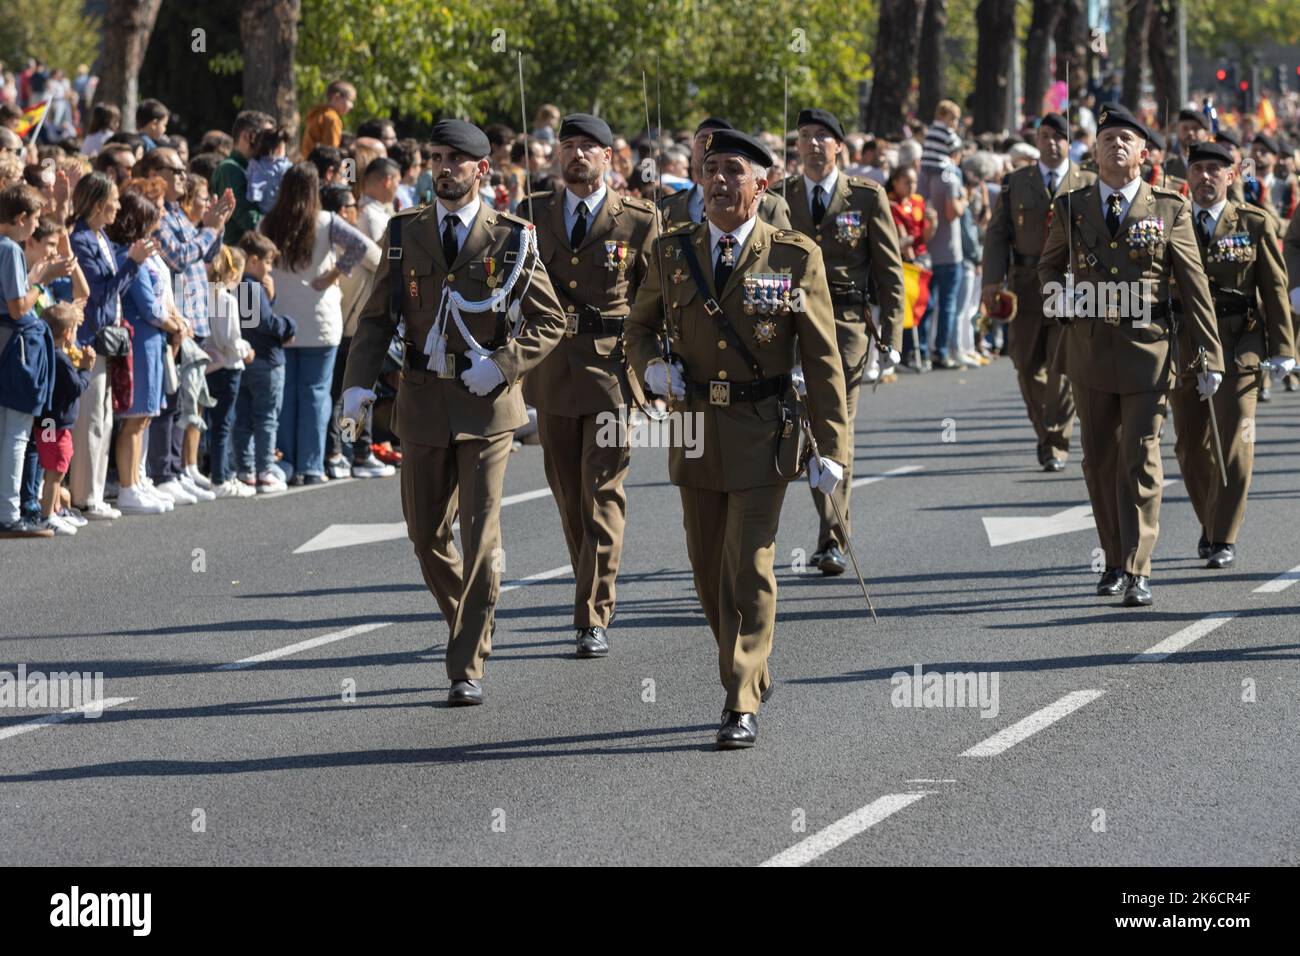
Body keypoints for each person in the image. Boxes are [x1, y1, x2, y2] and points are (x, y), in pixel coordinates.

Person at [625, 129, 849, 749]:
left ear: (763, 183)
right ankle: (752, 670)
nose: (719, 180)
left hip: (762, 431)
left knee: (748, 565)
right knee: (706, 571)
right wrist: (650, 368)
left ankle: (739, 699)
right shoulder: (674, 252)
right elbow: (637, 327)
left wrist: (833, 450)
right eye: (709, 168)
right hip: (695, 427)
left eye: (733, 170)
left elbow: (823, 359)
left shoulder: (794, 255)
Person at [339, 119, 567, 706]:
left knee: (482, 536)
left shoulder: (511, 237)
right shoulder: (403, 231)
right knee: (424, 534)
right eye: (435, 157)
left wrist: (504, 364)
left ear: (481, 170)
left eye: (454, 160)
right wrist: (356, 388)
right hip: (419, 403)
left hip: (487, 406)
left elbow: (550, 320)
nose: (441, 168)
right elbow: (375, 320)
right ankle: (472, 617)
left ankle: (466, 663)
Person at [1038, 103, 1224, 607]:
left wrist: (1210, 355)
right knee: (1098, 464)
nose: (1116, 145)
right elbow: (1048, 269)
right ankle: (1114, 560)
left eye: (1127, 138)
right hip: (1091, 351)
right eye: (1107, 139)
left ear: (1144, 153)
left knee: (1140, 457)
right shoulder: (1072, 207)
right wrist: (1062, 300)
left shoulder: (1170, 208)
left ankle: (1139, 567)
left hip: (1148, 351)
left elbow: (1194, 285)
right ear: (1093, 152)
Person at [518, 113, 659, 657]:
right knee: (569, 499)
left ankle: (592, 613)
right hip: (551, 372)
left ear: (609, 158)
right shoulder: (532, 216)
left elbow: (656, 301)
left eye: (588, 148)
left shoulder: (639, 220)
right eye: (567, 146)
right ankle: (590, 591)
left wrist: (657, 368)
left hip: (609, 375)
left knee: (601, 495)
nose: (576, 155)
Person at [777, 107, 905, 576]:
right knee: (809, 425)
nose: (811, 145)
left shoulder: (866, 197)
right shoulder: (779, 195)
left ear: (839, 147)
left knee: (836, 426)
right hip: (789, 324)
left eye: (821, 137)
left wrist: (891, 337)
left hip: (846, 327)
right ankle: (833, 527)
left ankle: (831, 536)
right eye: (804, 136)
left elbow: (890, 272)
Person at [1169, 141, 1294, 570]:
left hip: (1239, 342)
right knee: (1190, 444)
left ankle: (1223, 536)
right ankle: (1210, 522)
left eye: (1214, 170)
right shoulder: (1172, 219)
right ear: (1188, 175)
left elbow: (1274, 290)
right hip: (1187, 342)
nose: (1206, 177)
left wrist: (1282, 348)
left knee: (1239, 439)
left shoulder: (1253, 223)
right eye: (1198, 169)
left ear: (1231, 176)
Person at [982, 112, 1094, 472]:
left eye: (1059, 136)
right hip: (1027, 284)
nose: (1052, 142)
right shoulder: (1015, 183)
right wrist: (991, 282)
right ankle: (1047, 431)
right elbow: (997, 235)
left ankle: (1055, 441)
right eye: (1045, 136)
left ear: (1070, 141)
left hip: (1071, 286)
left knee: (1064, 365)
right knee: (1026, 364)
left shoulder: (1089, 182)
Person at [260, 162, 371, 484]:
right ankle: (311, 464)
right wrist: (335, 273)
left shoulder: (269, 222)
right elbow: (360, 246)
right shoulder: (326, 221)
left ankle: (287, 462)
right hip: (320, 319)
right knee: (316, 394)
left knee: (287, 393)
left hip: (281, 317)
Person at [140, 147, 235, 499]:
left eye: (183, 169)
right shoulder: (157, 217)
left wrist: (217, 227)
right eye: (175, 170)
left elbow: (206, 256)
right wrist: (208, 229)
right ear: (153, 174)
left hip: (193, 317)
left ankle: (178, 468)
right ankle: (163, 471)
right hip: (171, 320)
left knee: (186, 399)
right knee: (169, 400)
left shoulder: (177, 214)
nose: (183, 175)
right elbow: (178, 259)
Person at [68, 172, 154, 520]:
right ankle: (85, 496)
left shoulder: (99, 237)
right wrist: (131, 263)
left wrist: (130, 263)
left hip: (107, 337)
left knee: (103, 417)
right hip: (90, 338)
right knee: (90, 420)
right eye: (113, 200)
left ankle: (96, 492)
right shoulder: (82, 241)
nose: (118, 207)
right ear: (98, 203)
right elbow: (100, 292)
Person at [107, 187, 179, 515]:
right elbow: (149, 307)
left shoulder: (143, 256)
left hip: (152, 341)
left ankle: (137, 479)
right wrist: (174, 324)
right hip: (140, 340)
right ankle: (127, 487)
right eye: (150, 219)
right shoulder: (127, 255)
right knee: (135, 417)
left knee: (146, 416)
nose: (156, 225)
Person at [0, 183, 56, 537]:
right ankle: (9, 513)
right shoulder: (10, 250)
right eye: (34, 220)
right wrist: (43, 281)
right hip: (12, 348)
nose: (36, 227)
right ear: (21, 218)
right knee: (17, 434)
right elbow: (19, 307)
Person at [327, 167, 389, 479]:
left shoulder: (329, 244)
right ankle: (358, 453)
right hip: (356, 328)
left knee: (340, 395)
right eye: (352, 207)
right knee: (357, 393)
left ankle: (343, 452)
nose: (357, 211)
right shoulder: (352, 243)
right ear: (341, 212)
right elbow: (383, 260)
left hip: (342, 327)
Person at [233, 231, 296, 493]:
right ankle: (265, 469)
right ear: (253, 260)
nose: (270, 268)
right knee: (267, 418)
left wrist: (270, 300)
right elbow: (262, 323)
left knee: (245, 419)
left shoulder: (239, 287)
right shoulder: (250, 287)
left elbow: (251, 320)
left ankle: (247, 470)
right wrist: (289, 325)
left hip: (246, 361)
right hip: (266, 362)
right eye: (268, 262)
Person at [659, 117, 793, 230]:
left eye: (733, 169)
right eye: (704, 139)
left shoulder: (770, 205)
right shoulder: (668, 206)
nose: (719, 177)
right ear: (692, 148)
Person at [204, 245, 256, 497]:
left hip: (212, 365)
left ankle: (221, 472)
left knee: (215, 424)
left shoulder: (208, 294)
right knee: (223, 425)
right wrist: (245, 349)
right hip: (227, 366)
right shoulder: (225, 298)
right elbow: (230, 340)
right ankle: (220, 477)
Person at [35, 302, 91, 534]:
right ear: (68, 333)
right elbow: (77, 388)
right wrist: (87, 368)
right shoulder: (62, 359)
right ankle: (48, 514)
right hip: (57, 425)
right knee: (56, 468)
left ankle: (55, 509)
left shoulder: (47, 354)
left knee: (50, 465)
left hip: (47, 421)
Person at [210, 110, 275, 244]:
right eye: (266, 138)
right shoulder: (229, 169)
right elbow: (250, 221)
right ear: (246, 137)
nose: (271, 145)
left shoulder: (254, 169)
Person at [246, 125, 293, 215]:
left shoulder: (254, 164)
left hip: (260, 212)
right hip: (282, 213)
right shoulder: (285, 166)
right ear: (279, 149)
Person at [301, 81, 356, 159]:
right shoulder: (332, 119)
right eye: (350, 101)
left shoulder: (318, 112)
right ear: (336, 97)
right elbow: (332, 153)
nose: (352, 106)